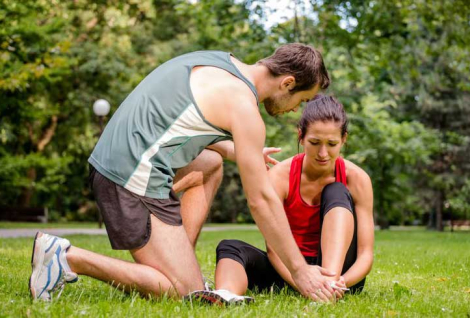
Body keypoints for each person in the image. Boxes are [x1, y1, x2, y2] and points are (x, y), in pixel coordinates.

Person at [29, 44, 340, 302]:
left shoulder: (218, 62)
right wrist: (300, 271)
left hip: (115, 161)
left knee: (210, 165)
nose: (296, 109)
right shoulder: (244, 107)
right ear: (287, 83)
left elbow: (176, 120)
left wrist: (236, 150)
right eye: (302, 100)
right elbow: (260, 200)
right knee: (182, 292)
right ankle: (66, 258)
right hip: (128, 178)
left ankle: (179, 261)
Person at [212, 95, 374, 302]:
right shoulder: (279, 177)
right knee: (230, 246)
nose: (323, 153)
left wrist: (337, 282)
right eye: (314, 142)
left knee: (336, 190)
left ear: (344, 139)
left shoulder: (357, 179)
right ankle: (226, 296)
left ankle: (328, 286)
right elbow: (274, 250)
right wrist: (303, 283)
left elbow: (365, 255)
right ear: (301, 136)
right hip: (292, 269)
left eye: (332, 144)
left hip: (340, 273)